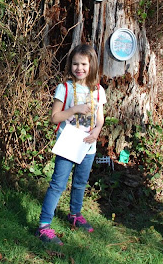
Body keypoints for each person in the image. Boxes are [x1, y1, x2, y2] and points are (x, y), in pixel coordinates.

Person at [36, 44, 106, 245]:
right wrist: (74, 109)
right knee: (58, 184)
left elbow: (100, 118)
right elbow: (55, 117)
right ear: (70, 65)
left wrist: (97, 131)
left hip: (88, 146)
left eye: (84, 64)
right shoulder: (64, 88)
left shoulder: (98, 90)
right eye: (75, 64)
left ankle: (75, 214)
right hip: (68, 144)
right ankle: (44, 225)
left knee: (80, 183)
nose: (79, 68)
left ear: (92, 65)